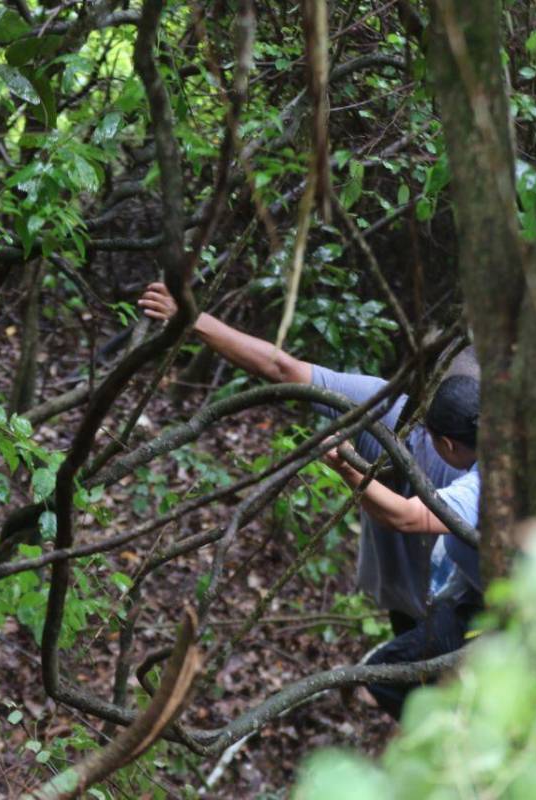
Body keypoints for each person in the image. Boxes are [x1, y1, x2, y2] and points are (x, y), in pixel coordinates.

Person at [138, 282, 472, 633]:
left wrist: (195, 320)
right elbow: (283, 370)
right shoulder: (384, 411)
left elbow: (284, 369)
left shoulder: (385, 409)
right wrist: (194, 319)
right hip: (430, 608)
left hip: (452, 614)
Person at [324, 375, 482, 720]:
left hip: (492, 614)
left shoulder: (482, 485)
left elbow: (409, 517)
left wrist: (350, 471)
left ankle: (439, 734)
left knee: (384, 675)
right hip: (471, 594)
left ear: (449, 445)